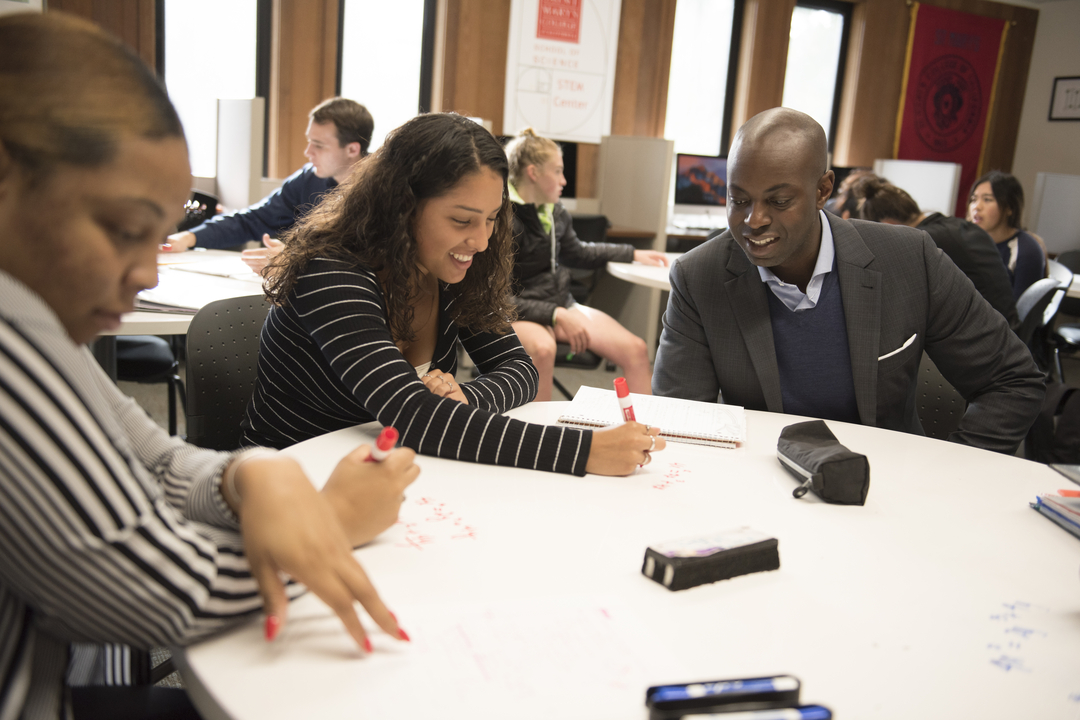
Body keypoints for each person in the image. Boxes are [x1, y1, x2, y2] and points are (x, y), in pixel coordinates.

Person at [0, 13, 416, 719]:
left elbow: (151, 456)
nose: (145, 274)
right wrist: (336, 517)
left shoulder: (43, 332)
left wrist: (251, 471)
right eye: (125, 231)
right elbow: (149, 592)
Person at [241, 113, 665, 476]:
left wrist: (465, 396)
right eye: (462, 220)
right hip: (297, 481)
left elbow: (520, 368)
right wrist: (586, 450)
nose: (481, 242)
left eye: (492, 219)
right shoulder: (333, 273)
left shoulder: (448, 269)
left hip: (391, 467)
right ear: (401, 206)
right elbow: (414, 418)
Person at [653, 108, 1044, 455]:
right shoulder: (698, 277)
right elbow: (681, 421)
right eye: (738, 200)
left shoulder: (909, 259)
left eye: (779, 201)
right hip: (761, 493)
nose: (753, 220)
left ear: (823, 190)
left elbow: (1012, 380)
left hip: (888, 492)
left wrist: (953, 473)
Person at [503, 128, 668, 401]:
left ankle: (644, 433)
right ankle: (542, 437)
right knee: (544, 350)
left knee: (636, 349)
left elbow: (578, 253)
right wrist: (555, 314)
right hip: (517, 311)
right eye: (557, 171)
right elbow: (496, 298)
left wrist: (632, 253)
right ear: (533, 173)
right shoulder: (504, 219)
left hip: (558, 306)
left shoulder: (554, 211)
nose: (564, 180)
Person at [162, 97, 373, 274]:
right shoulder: (308, 180)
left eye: (318, 145)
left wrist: (295, 258)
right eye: (309, 141)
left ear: (352, 149)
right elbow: (253, 220)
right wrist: (189, 237)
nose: (308, 152)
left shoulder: (381, 189)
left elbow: (366, 258)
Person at [853, 174, 1020, 331]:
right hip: (1005, 330)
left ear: (886, 224)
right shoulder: (952, 226)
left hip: (986, 339)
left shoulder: (922, 242)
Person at [967, 170, 1047, 301]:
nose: (977, 206)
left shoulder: (1026, 250)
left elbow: (1021, 314)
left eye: (987, 199)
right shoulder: (965, 242)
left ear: (1009, 207)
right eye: (973, 199)